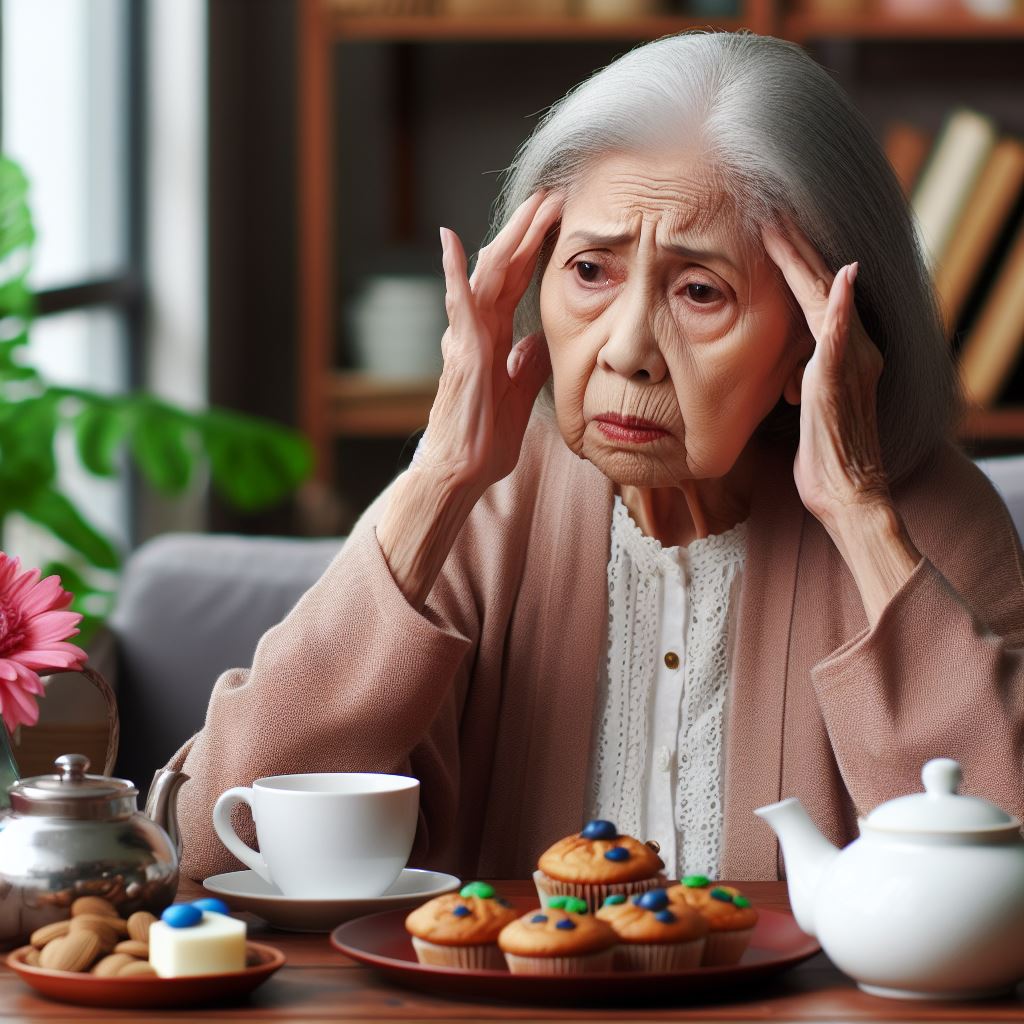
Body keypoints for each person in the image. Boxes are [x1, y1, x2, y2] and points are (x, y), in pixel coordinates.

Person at [166, 29, 1024, 883]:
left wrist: (863, 522)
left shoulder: (925, 520)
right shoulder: (482, 508)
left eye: (699, 291)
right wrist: (433, 486)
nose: (627, 351)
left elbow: (1002, 877)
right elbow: (206, 854)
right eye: (589, 271)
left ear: (816, 331)